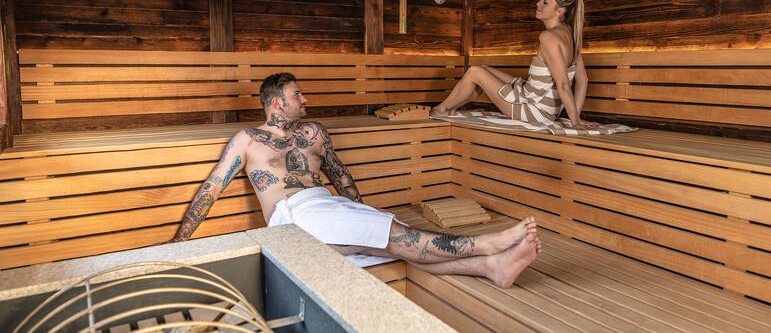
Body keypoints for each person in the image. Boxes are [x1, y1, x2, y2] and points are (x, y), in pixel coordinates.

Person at [172, 72, 541, 288]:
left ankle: (489, 267)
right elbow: (212, 189)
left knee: (393, 241)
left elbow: (339, 174)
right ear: (276, 104)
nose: (305, 98)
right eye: (296, 94)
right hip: (293, 218)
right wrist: (177, 245)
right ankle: (487, 244)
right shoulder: (248, 140)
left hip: (328, 209)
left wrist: (363, 213)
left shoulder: (315, 132)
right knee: (401, 237)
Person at [433, 0, 599, 130]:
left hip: (534, 111)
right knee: (482, 69)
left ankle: (441, 110)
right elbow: (583, 80)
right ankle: (450, 109)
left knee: (475, 72)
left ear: (560, 11)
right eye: (540, 0)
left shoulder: (548, 37)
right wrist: (575, 117)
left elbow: (563, 84)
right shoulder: (571, 36)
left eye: (545, 2)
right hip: (540, 105)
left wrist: (575, 122)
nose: (538, 4)